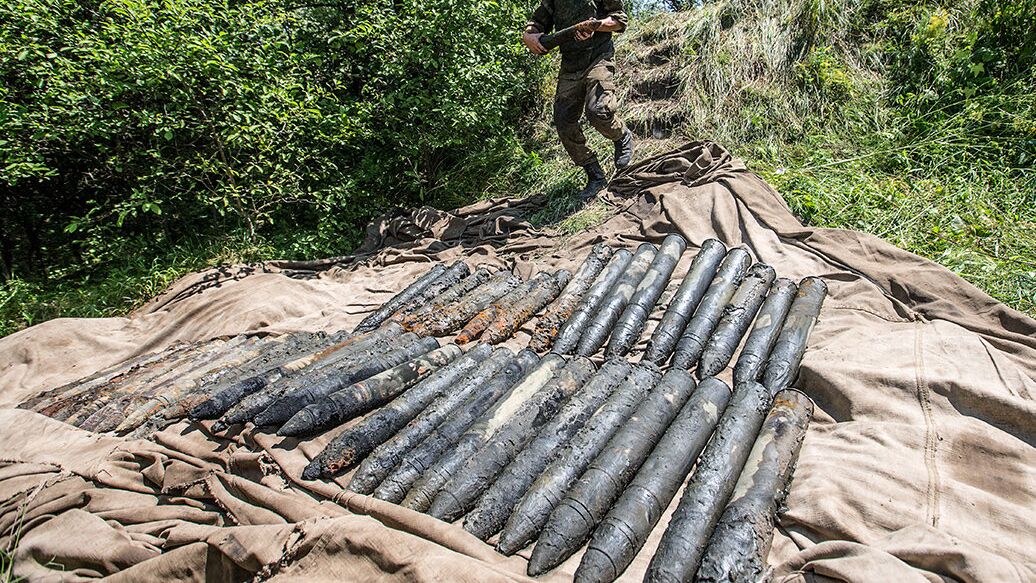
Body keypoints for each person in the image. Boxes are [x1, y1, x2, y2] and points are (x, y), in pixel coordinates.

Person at [523, 0, 634, 199]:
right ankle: (595, 176)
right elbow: (537, 23)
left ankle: (621, 136)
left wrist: (596, 25)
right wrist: (529, 36)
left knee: (598, 110)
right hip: (570, 66)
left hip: (598, 58)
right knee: (564, 122)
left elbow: (619, 21)